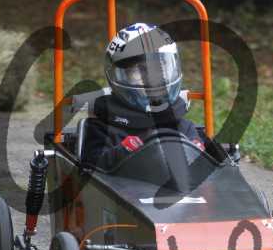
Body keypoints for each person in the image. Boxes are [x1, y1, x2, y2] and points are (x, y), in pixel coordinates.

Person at [82, 23, 206, 170]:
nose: (151, 80)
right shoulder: (103, 128)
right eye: (137, 71)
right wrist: (128, 149)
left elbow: (207, 168)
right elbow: (92, 166)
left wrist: (197, 150)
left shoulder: (183, 126)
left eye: (160, 68)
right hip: (125, 183)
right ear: (118, 76)